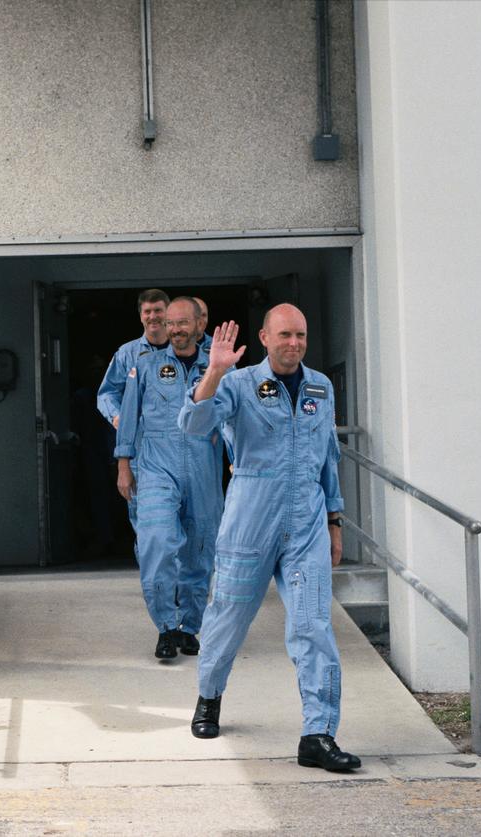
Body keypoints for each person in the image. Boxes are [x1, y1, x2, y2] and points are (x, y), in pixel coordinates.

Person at [179, 305, 361, 772]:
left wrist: (334, 522)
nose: (293, 343)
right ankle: (209, 696)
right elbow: (193, 425)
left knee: (312, 625)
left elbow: (327, 459)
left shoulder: (321, 386)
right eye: (284, 335)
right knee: (228, 617)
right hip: (250, 519)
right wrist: (215, 370)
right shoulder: (237, 384)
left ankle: (317, 734)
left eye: (300, 334)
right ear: (264, 336)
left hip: (306, 523)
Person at [115, 297, 223, 659]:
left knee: (199, 549)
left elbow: (236, 421)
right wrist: (124, 465)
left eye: (183, 323)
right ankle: (165, 627)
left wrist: (240, 465)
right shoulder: (146, 367)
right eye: (171, 323)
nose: (175, 329)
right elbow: (128, 417)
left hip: (204, 467)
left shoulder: (218, 369)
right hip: (157, 467)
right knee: (156, 544)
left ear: (198, 326)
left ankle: (190, 627)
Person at [96, 289, 169, 430]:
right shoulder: (126, 353)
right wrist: (116, 416)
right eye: (147, 312)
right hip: (141, 437)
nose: (153, 316)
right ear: (141, 316)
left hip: (178, 437)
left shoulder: (185, 350)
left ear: (169, 314)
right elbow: (108, 391)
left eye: (158, 310)